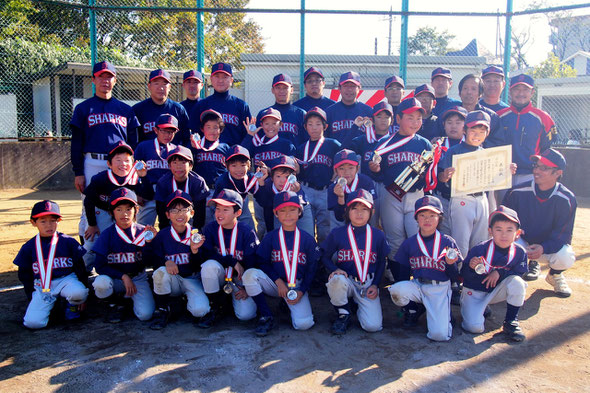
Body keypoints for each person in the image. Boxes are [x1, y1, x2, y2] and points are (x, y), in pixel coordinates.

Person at [70, 61, 139, 243]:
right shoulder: (84, 108)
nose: (105, 80)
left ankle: (120, 246)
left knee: (122, 204)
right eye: (101, 76)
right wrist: (78, 171)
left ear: (115, 80)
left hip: (121, 164)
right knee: (89, 205)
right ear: (93, 80)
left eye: (109, 77)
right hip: (93, 161)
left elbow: (134, 142)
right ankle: (86, 250)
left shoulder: (125, 109)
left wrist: (132, 165)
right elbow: (77, 142)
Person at [438, 110, 517, 258]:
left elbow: (495, 179)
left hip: (482, 199)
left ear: (487, 133)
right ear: (465, 130)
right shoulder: (454, 151)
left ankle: (474, 276)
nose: (477, 134)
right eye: (473, 130)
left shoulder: (488, 154)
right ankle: (457, 277)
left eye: (482, 131)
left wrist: (507, 170)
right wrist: (445, 175)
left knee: (480, 241)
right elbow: (440, 177)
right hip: (461, 199)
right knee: (460, 243)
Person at [242, 191, 320, 336]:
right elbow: (262, 262)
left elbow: (311, 269)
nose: (288, 214)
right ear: (275, 213)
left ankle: (287, 304)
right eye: (282, 210)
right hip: (275, 284)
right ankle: (266, 315)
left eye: (292, 210)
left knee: (304, 324)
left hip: (297, 285)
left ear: (299, 212)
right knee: (250, 275)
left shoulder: (307, 239)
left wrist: (302, 290)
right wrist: (278, 281)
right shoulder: (271, 237)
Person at [368, 98, 432, 271]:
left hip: (415, 195)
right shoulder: (384, 143)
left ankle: (420, 276)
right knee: (395, 238)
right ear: (398, 119)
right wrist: (375, 169)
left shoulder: (424, 144)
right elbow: (378, 173)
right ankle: (399, 279)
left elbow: (428, 175)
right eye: (410, 117)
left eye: (418, 118)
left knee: (417, 235)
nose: (415, 122)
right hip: (391, 195)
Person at [503, 149, 577, 297]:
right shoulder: (517, 191)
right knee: (506, 245)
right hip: (522, 242)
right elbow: (503, 220)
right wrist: (514, 231)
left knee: (566, 256)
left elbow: (563, 235)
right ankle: (510, 279)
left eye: (544, 168)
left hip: (547, 248)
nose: (537, 170)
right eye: (536, 166)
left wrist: (543, 248)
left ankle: (554, 275)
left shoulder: (566, 198)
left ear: (558, 173)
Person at [387, 196, 461, 341]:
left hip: (439, 288)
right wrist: (406, 300)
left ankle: (443, 312)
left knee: (439, 335)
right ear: (416, 218)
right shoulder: (410, 243)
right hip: (418, 285)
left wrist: (450, 263)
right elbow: (403, 272)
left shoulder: (447, 241)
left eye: (432, 215)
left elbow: (455, 275)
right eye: (422, 215)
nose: (427, 220)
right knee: (396, 289)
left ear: (439, 218)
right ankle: (415, 308)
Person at [321, 189, 389, 334]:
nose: (359, 213)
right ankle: (343, 313)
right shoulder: (338, 233)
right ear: (347, 211)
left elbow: (382, 262)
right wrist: (334, 269)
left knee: (373, 326)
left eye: (364, 209)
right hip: (347, 281)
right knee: (337, 281)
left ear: (371, 211)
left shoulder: (378, 235)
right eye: (354, 208)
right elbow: (324, 256)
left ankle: (357, 306)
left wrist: (376, 284)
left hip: (367, 284)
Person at [13, 200, 89, 329]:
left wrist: (83, 297)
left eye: (53, 220)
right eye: (43, 221)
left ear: (58, 221)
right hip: (42, 284)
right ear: (33, 222)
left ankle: (70, 305)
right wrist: (31, 296)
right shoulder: (29, 247)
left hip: (66, 280)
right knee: (33, 323)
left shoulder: (68, 241)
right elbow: (24, 274)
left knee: (79, 293)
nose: (49, 225)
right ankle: (52, 307)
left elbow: (80, 268)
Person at [460, 206, 528, 342]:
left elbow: (520, 272)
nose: (504, 235)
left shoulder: (520, 252)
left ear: (518, 233)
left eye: (509, 230)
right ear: (490, 231)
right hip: (476, 292)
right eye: (499, 229)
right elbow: (463, 276)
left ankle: (510, 322)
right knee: (474, 328)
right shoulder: (480, 248)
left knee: (517, 283)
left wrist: (499, 272)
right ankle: (480, 308)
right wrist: (472, 268)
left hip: (496, 291)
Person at [82, 141, 153, 269]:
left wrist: (145, 177)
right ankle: (84, 270)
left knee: (124, 238)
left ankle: (126, 265)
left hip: (124, 213)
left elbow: (148, 195)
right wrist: (92, 224)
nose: (123, 164)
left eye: (127, 160)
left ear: (133, 163)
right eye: (118, 160)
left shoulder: (134, 179)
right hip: (102, 210)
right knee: (92, 241)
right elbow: (89, 200)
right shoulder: (101, 178)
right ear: (109, 163)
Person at [92, 188, 156, 323]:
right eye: (119, 209)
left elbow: (150, 261)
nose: (124, 214)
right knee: (101, 283)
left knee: (145, 315)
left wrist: (149, 244)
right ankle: (113, 304)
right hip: (115, 279)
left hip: (138, 278)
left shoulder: (142, 232)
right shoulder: (107, 234)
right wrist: (123, 276)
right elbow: (99, 266)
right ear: (111, 212)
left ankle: (128, 301)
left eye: (128, 209)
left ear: (136, 210)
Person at [197, 189, 259, 328]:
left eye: (226, 209)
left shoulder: (246, 231)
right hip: (220, 276)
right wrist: (231, 261)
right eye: (218, 209)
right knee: (209, 266)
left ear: (238, 213)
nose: (219, 213)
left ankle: (229, 301)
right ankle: (216, 306)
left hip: (239, 279)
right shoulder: (210, 228)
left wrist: (247, 288)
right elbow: (205, 255)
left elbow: (253, 262)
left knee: (246, 315)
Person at [148, 191, 209, 330]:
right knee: (160, 273)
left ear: (192, 213)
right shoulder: (162, 235)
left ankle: (180, 304)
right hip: (173, 281)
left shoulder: (197, 234)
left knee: (201, 310)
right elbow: (154, 260)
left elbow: (200, 266)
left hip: (191, 279)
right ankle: (163, 309)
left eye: (184, 210)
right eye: (174, 210)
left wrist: (194, 251)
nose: (179, 214)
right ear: (167, 214)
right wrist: (165, 262)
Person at [497, 74, 556, 186]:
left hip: (531, 174)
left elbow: (547, 149)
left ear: (532, 92)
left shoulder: (543, 117)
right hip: (502, 173)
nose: (521, 93)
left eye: (525, 89)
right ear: (510, 91)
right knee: (502, 204)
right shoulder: (499, 116)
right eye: (517, 89)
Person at [296, 107, 342, 244]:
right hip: (306, 189)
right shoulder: (301, 148)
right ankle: (311, 259)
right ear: (305, 127)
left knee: (325, 229)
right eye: (310, 124)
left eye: (318, 124)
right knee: (306, 228)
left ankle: (323, 260)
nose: (314, 128)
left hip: (326, 191)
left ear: (325, 126)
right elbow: (299, 171)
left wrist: (337, 171)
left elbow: (344, 156)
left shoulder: (332, 144)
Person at [190, 62, 251, 146]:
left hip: (234, 156)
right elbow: (194, 134)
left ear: (231, 80)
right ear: (211, 79)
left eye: (225, 77)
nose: (220, 80)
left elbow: (247, 135)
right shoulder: (202, 105)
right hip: (208, 155)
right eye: (217, 76)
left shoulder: (241, 105)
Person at [134, 114, 179, 226]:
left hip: (168, 192)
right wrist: (137, 192)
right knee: (143, 228)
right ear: (155, 130)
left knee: (168, 227)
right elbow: (134, 172)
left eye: (171, 132)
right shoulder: (144, 147)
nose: (167, 135)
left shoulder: (176, 149)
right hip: (148, 191)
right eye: (164, 131)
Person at [253, 156, 315, 237]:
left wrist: (296, 194)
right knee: (278, 238)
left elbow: (301, 214)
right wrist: (261, 185)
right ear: (271, 177)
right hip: (277, 213)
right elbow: (263, 202)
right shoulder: (268, 185)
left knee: (307, 236)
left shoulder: (296, 187)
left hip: (299, 212)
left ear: (294, 176)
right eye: (278, 176)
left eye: (286, 176)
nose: (282, 181)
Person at [190, 109, 230, 224]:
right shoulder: (196, 146)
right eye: (208, 127)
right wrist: (192, 148)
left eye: (216, 127)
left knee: (220, 221)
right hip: (201, 191)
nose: (212, 130)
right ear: (202, 129)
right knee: (204, 223)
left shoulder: (225, 147)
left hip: (220, 190)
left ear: (221, 129)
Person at [154, 146, 209, 230]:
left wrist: (196, 231)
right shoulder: (163, 183)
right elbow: (161, 212)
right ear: (169, 165)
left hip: (190, 217)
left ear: (190, 165)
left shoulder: (198, 182)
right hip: (172, 218)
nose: (178, 166)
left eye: (183, 162)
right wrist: (165, 231)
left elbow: (200, 213)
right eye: (174, 162)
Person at [432, 106, 468, 235]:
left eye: (458, 123)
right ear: (444, 125)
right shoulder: (437, 145)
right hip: (443, 197)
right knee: (444, 234)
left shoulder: (474, 146)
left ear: (466, 125)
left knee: (462, 236)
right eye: (449, 122)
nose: (454, 126)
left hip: (464, 199)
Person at [133, 69, 190, 147]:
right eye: (156, 84)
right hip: (147, 157)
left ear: (169, 87)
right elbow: (133, 139)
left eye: (164, 84)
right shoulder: (138, 109)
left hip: (173, 156)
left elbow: (186, 138)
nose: (161, 88)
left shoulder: (178, 109)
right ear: (149, 86)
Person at [214, 145, 264, 229]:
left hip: (242, 205)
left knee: (248, 224)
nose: (239, 169)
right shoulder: (222, 180)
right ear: (227, 166)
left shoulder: (251, 178)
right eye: (234, 165)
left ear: (248, 166)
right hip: (224, 207)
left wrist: (262, 184)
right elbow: (216, 205)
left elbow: (261, 200)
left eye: (242, 165)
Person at [328, 149, 377, 229]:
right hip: (342, 223)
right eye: (341, 168)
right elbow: (339, 218)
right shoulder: (333, 188)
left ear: (357, 168)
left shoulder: (366, 182)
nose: (346, 172)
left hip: (364, 220)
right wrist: (341, 198)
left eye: (351, 168)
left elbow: (372, 211)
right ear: (335, 171)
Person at [254, 74, 307, 146]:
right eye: (278, 88)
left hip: (293, 156)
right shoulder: (264, 114)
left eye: (285, 88)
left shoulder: (301, 114)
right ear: (272, 90)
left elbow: (306, 142)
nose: (281, 91)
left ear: (291, 90)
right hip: (270, 156)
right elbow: (257, 141)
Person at [456, 74, 504, 148]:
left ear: (480, 94)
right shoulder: (450, 114)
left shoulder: (491, 116)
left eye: (473, 89)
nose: (469, 92)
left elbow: (498, 143)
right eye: (465, 88)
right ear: (459, 93)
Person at [325, 71, 373, 146]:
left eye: (353, 86)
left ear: (359, 88)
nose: (349, 89)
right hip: (336, 154)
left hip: (359, 156)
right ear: (339, 88)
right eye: (346, 86)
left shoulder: (368, 111)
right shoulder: (330, 112)